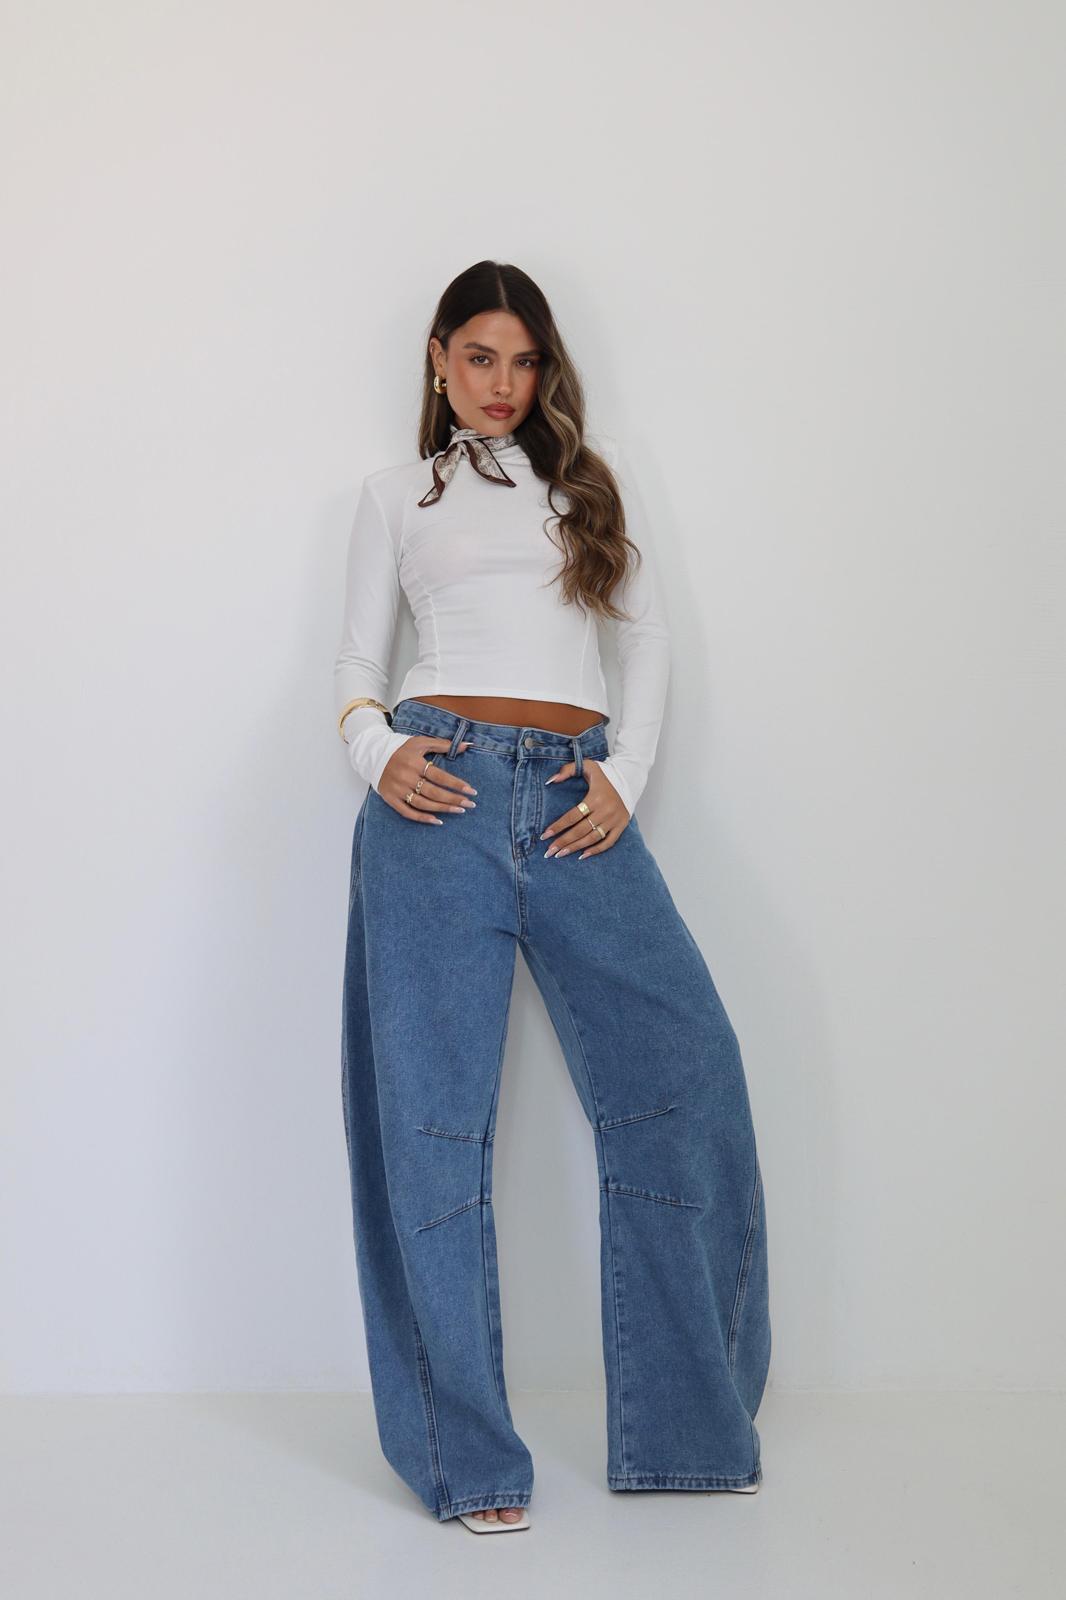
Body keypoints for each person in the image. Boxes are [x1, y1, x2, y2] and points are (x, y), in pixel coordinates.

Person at [335, 260, 770, 1534]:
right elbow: (355, 663)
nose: (502, 384)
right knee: (429, 1121)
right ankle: (466, 1460)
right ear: (438, 358)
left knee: (686, 1067)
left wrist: (625, 774)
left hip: (578, 797)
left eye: (523, 362)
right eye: (479, 356)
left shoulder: (586, 484)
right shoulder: (392, 495)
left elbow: (646, 637)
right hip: (437, 797)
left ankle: (687, 1431)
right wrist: (376, 749)